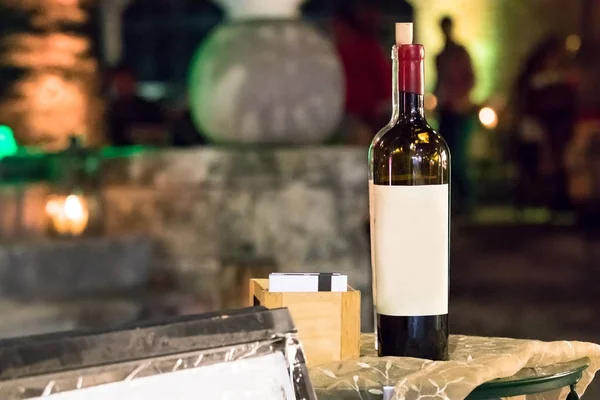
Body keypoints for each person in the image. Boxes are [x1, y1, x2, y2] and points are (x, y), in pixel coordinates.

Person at [332, 0, 391, 145]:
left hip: (367, 118)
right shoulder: (337, 52)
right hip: (345, 115)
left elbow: (385, 81)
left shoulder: (368, 49)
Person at [434, 16, 476, 216]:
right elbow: (440, 81)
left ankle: (465, 200)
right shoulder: (441, 55)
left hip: (460, 109)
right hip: (447, 109)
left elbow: (470, 78)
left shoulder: (459, 53)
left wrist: (461, 98)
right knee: (446, 155)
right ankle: (452, 200)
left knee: (458, 157)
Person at [106, 64, 168, 146]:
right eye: (119, 82)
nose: (123, 85)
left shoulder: (149, 109)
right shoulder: (109, 111)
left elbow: (162, 134)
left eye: (126, 81)